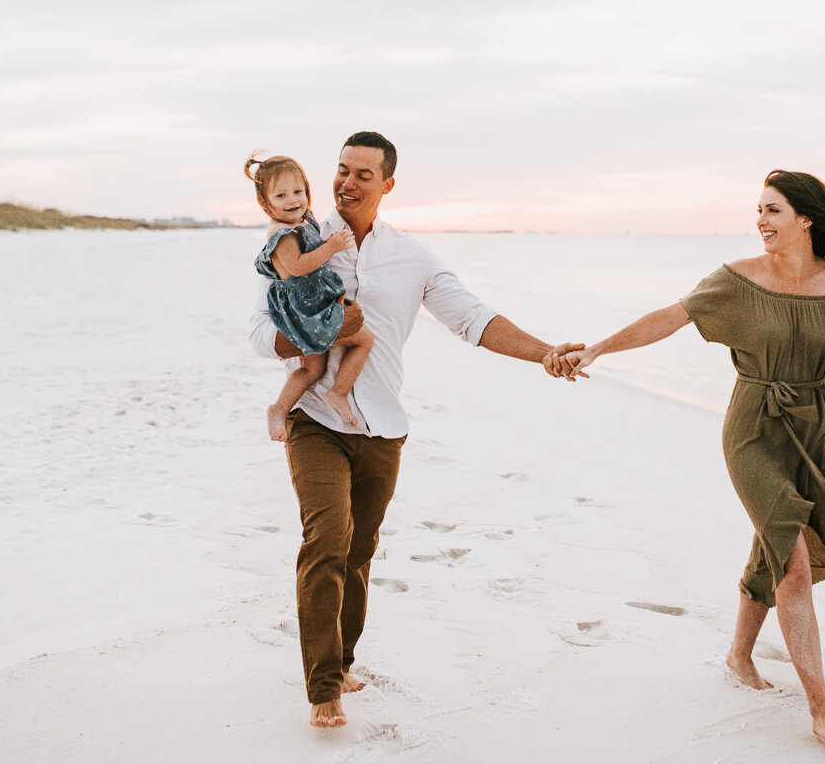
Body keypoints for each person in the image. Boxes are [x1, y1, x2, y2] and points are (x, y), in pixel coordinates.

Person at [550, 169, 825, 748]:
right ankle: (822, 708)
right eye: (758, 210)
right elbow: (669, 317)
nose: (761, 221)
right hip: (755, 428)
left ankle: (738, 655)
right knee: (793, 559)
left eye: (773, 210)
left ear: (806, 218)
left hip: (820, 424)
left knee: (775, 545)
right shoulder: (738, 279)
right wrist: (600, 348)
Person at [248, 131, 583, 729]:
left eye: (362, 175)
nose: (346, 183)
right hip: (318, 420)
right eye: (341, 171)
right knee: (325, 542)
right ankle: (323, 687)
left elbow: (473, 319)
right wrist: (320, 330)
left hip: (383, 429)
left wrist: (543, 353)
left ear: (388, 184)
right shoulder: (302, 239)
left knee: (358, 553)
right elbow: (259, 336)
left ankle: (343, 660)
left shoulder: (414, 257)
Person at [245, 152, 375, 439]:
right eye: (281, 195)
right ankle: (337, 393)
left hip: (312, 302)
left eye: (298, 191)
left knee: (312, 367)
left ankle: (280, 408)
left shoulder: (301, 222)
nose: (293, 200)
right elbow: (297, 268)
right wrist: (332, 247)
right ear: (265, 203)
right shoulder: (283, 234)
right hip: (305, 309)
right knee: (364, 340)